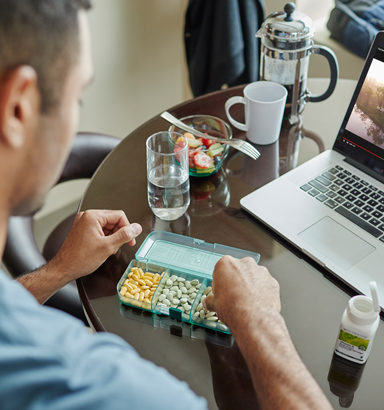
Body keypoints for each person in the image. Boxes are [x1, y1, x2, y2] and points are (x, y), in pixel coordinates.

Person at [0, 1, 333, 409]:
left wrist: (59, 270)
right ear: (19, 106)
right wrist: (259, 319)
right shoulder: (117, 389)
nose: (76, 113)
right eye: (79, 98)